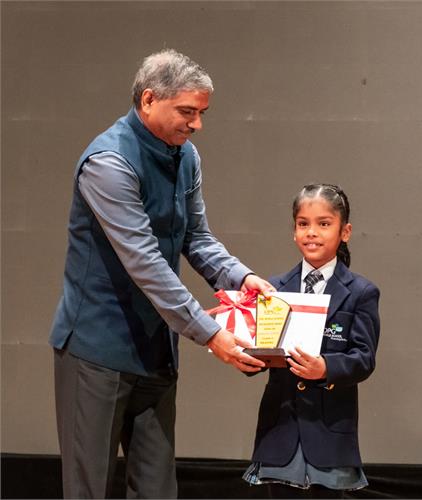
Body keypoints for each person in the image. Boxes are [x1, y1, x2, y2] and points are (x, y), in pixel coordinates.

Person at [49, 49, 270, 499]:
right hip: (97, 351)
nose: (197, 124)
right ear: (148, 99)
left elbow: (197, 237)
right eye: (187, 112)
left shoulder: (185, 156)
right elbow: (146, 263)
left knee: (157, 490)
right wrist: (210, 333)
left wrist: (241, 278)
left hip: (156, 350)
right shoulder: (108, 163)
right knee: (89, 489)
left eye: (202, 113)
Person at [242, 184, 380, 498]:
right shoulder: (273, 288)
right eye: (303, 224)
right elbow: (260, 352)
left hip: (330, 433)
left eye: (324, 223)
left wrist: (325, 368)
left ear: (345, 232)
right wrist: (245, 354)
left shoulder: (361, 292)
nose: (312, 232)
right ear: (294, 231)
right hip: (281, 430)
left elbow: (364, 358)